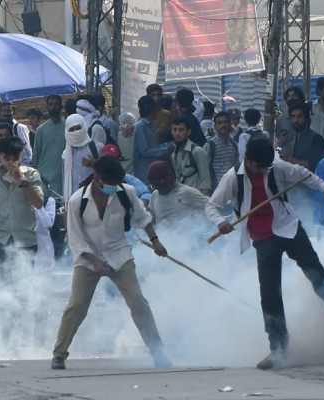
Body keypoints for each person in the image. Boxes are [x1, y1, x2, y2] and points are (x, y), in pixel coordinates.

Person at [205, 137, 324, 370]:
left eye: (267, 165)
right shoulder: (233, 178)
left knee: (314, 269)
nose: (265, 169)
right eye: (260, 166)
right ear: (249, 161)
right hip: (263, 238)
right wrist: (221, 222)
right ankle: (278, 349)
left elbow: (305, 175)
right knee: (270, 293)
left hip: (289, 227)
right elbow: (211, 206)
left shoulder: (277, 166)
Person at [51, 156, 171, 370]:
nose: (113, 188)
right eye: (109, 184)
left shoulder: (127, 193)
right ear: (96, 178)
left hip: (119, 254)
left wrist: (156, 241)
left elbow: (143, 218)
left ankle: (158, 352)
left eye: (116, 184)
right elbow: (75, 239)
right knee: (76, 307)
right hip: (88, 258)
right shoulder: (77, 201)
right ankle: (59, 354)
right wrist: (95, 262)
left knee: (138, 303)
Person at [0, 136, 44, 260]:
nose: (11, 163)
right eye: (7, 158)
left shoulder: (32, 174)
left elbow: (38, 204)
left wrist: (23, 182)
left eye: (15, 158)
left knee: (25, 278)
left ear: (21, 156)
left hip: (26, 240)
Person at [147, 160, 209, 226]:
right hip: (164, 235)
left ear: (167, 181)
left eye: (158, 186)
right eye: (153, 186)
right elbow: (151, 219)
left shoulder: (186, 192)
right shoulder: (155, 195)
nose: (157, 189)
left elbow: (211, 208)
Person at [62, 114, 103, 201]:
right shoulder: (65, 155)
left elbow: (107, 171)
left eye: (78, 128)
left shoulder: (96, 148)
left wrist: (94, 164)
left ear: (84, 127)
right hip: (74, 199)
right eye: (72, 129)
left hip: (94, 197)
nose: (76, 132)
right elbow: (64, 181)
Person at [32, 94, 66, 196]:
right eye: (50, 104)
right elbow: (36, 156)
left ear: (61, 107)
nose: (53, 107)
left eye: (56, 104)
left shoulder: (68, 127)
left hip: (63, 179)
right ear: (47, 107)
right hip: (44, 179)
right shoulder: (41, 130)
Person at [133, 95, 171, 183]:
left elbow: (154, 145)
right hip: (143, 172)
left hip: (153, 169)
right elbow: (145, 151)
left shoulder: (152, 125)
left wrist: (167, 146)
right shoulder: (140, 126)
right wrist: (165, 150)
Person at [278, 103, 324, 172]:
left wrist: (288, 159)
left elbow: (314, 165)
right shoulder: (286, 137)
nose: (295, 120)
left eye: (299, 116)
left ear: (306, 118)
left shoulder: (316, 139)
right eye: (293, 116)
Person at [170, 116, 210, 193]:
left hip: (196, 198)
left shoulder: (197, 151)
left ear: (188, 132)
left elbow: (205, 182)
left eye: (181, 130)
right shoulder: (174, 154)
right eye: (174, 130)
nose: (177, 133)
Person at [206, 111, 239, 191]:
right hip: (216, 188)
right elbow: (206, 168)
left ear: (230, 124)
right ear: (215, 126)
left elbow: (236, 166)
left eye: (225, 122)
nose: (223, 125)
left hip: (232, 186)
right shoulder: (211, 144)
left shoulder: (234, 144)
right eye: (219, 123)